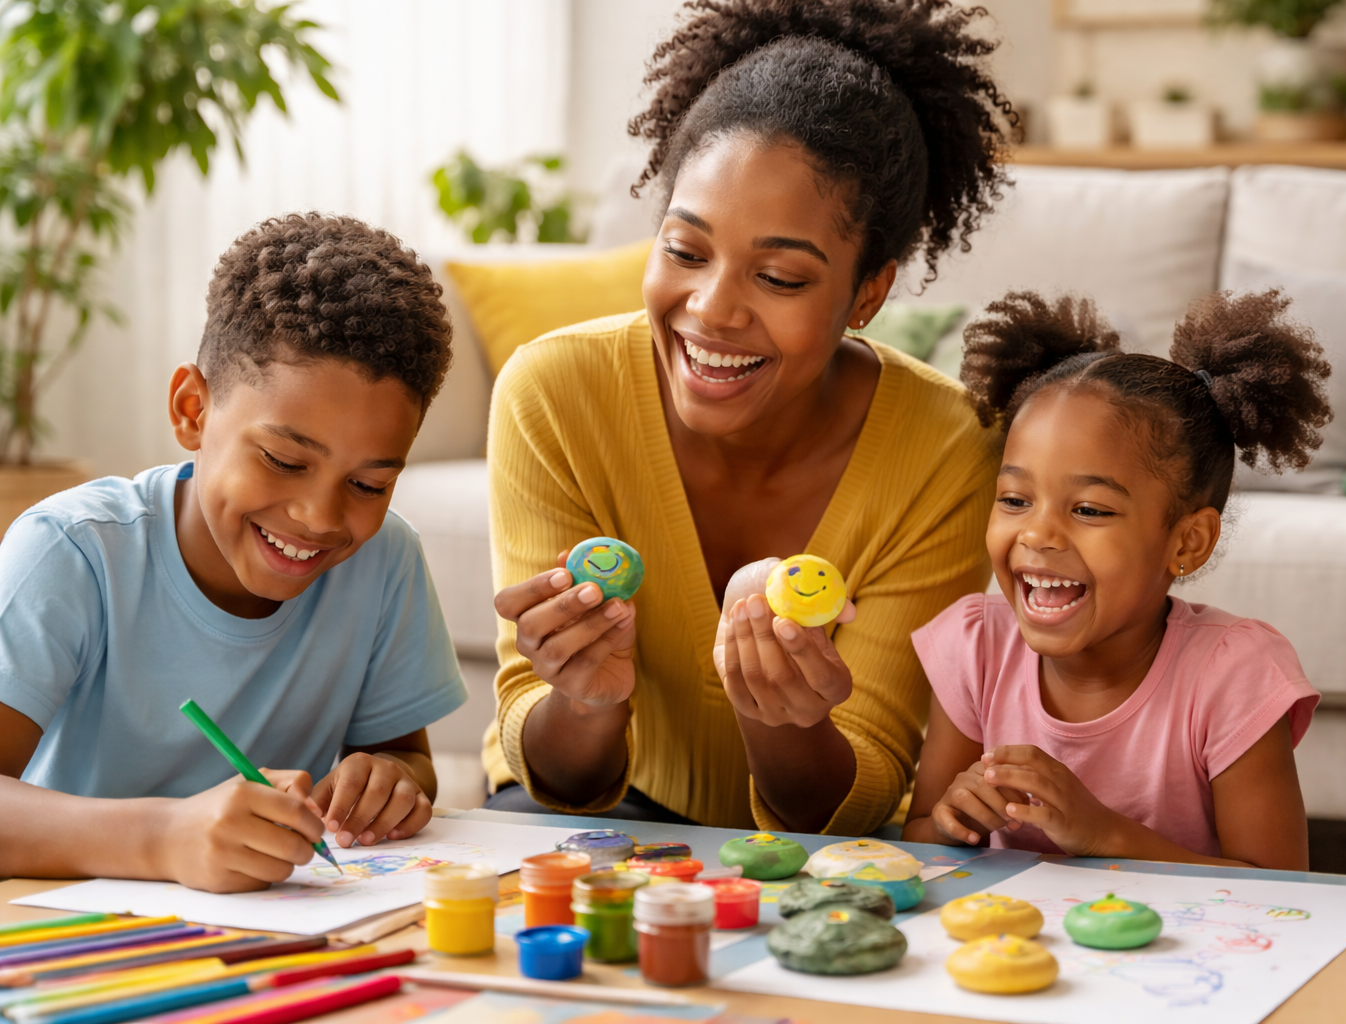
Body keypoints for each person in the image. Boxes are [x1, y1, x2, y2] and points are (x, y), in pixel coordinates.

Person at [484, 0, 1015, 835]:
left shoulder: (949, 447)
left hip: (815, 851)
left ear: (868, 293)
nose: (712, 310)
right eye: (685, 251)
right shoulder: (554, 392)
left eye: (781, 278)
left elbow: (857, 799)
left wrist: (782, 719)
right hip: (588, 816)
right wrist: (583, 699)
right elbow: (553, 773)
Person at [0, 214, 467, 893]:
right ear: (192, 410)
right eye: (283, 459)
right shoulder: (72, 553)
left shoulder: (383, 558)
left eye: (369, 484)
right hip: (71, 930)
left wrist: (391, 780)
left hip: (269, 931)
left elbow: (404, 756)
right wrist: (165, 838)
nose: (319, 518)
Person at [902, 289, 1332, 869]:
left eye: (1089, 510)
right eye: (1015, 499)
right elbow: (921, 839)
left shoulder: (1233, 674)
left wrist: (1105, 834)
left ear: (1187, 542)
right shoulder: (978, 647)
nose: (1039, 534)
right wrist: (956, 819)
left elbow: (1282, 888)